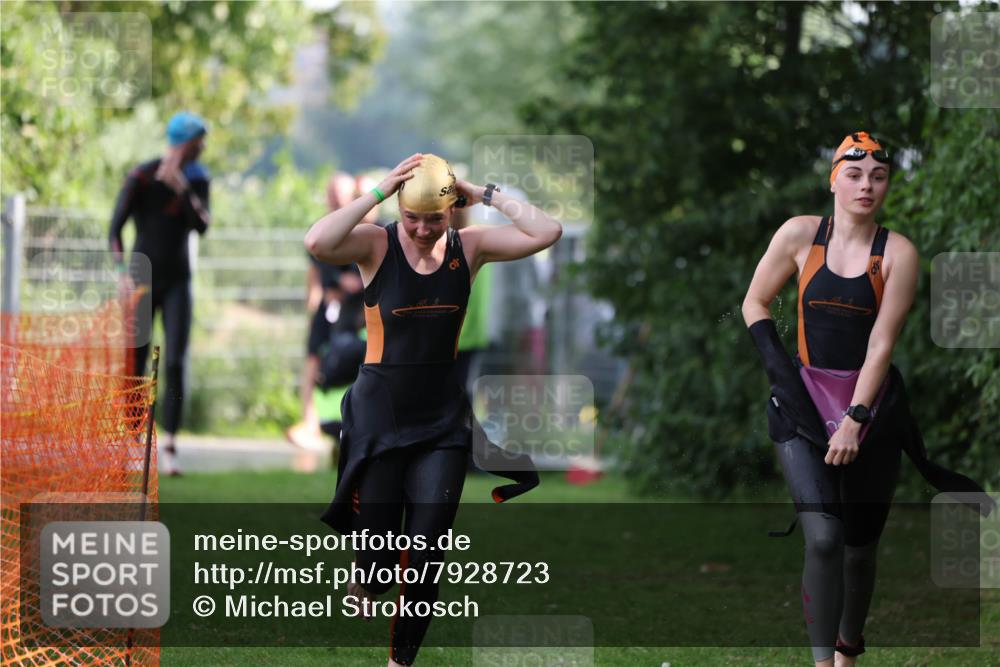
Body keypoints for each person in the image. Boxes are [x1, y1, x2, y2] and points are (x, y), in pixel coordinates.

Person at [741, 131, 995, 667]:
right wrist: (783, 376)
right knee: (824, 539)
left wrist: (856, 417)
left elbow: (882, 342)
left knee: (858, 549)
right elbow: (755, 302)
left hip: (871, 410)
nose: (866, 185)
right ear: (833, 177)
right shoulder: (800, 236)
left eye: (878, 177)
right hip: (803, 406)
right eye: (854, 175)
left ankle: (848, 652)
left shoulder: (897, 252)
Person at [306, 153, 558, 666]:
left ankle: (400, 662)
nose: (422, 230)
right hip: (380, 414)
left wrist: (478, 190)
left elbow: (546, 230)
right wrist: (379, 191)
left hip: (442, 420)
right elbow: (317, 241)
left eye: (435, 218)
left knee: (425, 551)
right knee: (380, 559)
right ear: (400, 206)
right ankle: (367, 569)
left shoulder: (473, 248)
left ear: (452, 211)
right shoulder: (376, 244)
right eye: (413, 217)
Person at [109, 111, 210, 476]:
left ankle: (169, 447)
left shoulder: (197, 178)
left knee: (175, 362)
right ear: (186, 141)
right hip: (141, 277)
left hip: (179, 280)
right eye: (200, 140)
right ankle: (132, 442)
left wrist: (182, 188)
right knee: (135, 360)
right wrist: (121, 273)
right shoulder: (141, 176)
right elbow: (114, 230)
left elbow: (203, 224)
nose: (204, 147)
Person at [287, 172, 359, 451]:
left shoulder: (361, 229)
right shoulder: (320, 227)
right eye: (331, 192)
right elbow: (317, 265)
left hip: (353, 315)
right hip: (329, 309)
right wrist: (327, 289)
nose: (335, 197)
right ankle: (310, 423)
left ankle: (344, 425)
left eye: (339, 192)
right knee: (313, 361)